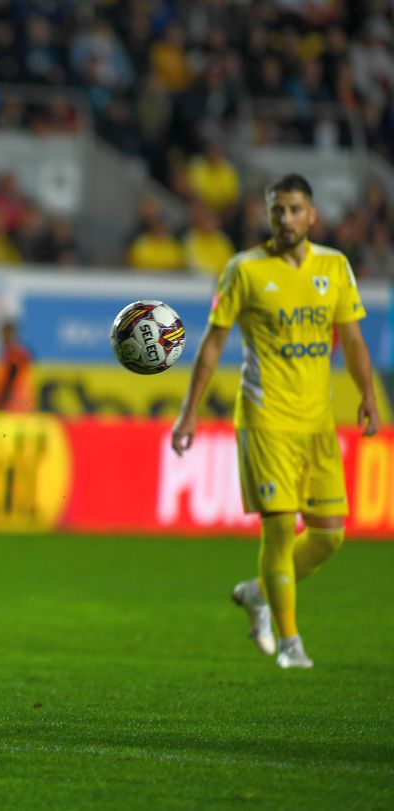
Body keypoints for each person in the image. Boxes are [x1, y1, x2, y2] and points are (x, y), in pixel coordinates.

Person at [170, 173, 380, 670]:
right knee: (280, 529)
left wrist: (368, 393)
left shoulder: (335, 266)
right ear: (267, 215)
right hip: (265, 417)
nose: (285, 218)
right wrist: (189, 410)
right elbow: (213, 344)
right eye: (277, 210)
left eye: (294, 209)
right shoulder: (243, 270)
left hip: (317, 421)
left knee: (329, 535)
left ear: (312, 215)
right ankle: (289, 643)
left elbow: (351, 339)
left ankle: (258, 593)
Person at [0, 320, 34, 412]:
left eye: (4, 334)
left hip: (14, 405)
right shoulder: (10, 353)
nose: (2, 337)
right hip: (14, 405)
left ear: (12, 335)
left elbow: (8, 381)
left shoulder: (14, 354)